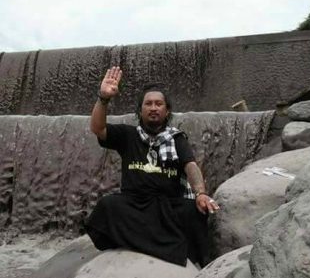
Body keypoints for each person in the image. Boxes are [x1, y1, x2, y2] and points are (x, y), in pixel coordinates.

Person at [85, 66, 219, 266]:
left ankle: (139, 243)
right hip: (134, 205)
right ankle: (167, 247)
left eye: (158, 104)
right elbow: (98, 128)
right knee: (107, 206)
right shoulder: (127, 135)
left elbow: (190, 165)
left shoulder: (176, 138)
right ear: (140, 110)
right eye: (148, 104)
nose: (153, 107)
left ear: (167, 111)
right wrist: (103, 98)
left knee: (194, 211)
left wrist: (200, 193)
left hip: (168, 206)